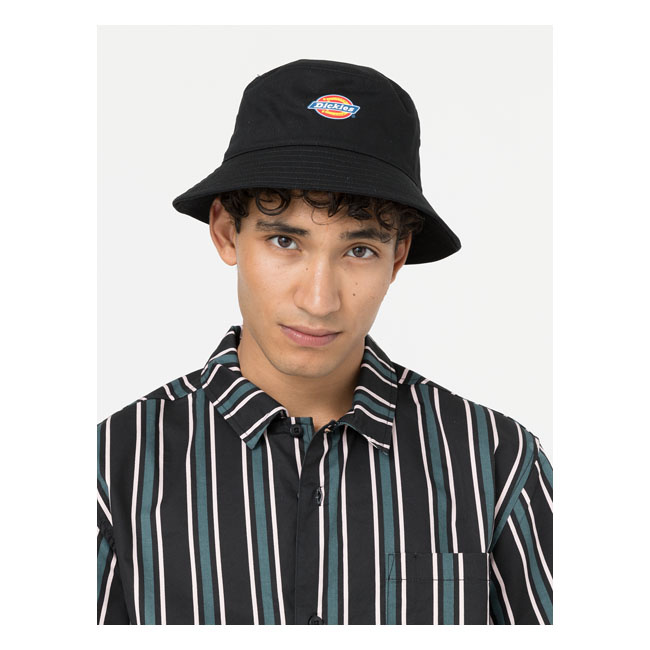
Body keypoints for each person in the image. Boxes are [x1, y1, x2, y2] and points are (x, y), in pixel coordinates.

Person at [97, 58, 553, 625]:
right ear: (226, 232)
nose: (319, 299)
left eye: (359, 250)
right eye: (285, 241)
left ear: (398, 258)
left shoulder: (498, 465)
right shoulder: (113, 469)